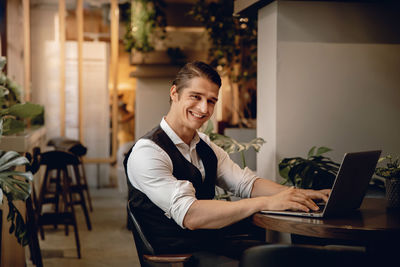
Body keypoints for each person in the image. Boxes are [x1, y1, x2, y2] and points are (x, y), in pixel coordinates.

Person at [124, 61, 330, 262]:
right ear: (174, 93)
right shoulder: (148, 151)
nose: (204, 109)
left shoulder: (204, 145)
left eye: (211, 101)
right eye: (195, 97)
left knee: (289, 256)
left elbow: (245, 183)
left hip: (210, 242)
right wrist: (267, 202)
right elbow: (190, 215)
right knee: (271, 259)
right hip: (178, 256)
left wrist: (301, 194)